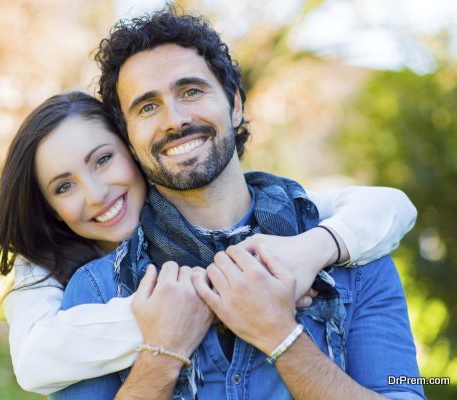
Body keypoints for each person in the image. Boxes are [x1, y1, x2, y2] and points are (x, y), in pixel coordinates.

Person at [46, 7, 425, 400]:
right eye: (147, 107)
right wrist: (162, 357)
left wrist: (281, 337)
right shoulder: (97, 290)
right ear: (129, 140)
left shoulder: (355, 259)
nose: (174, 120)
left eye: (191, 91)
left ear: (236, 104)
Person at [0, 92, 417, 396]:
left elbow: (385, 205)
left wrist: (314, 251)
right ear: (50, 209)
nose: (97, 193)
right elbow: (34, 362)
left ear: (134, 149)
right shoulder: (77, 285)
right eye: (64, 187)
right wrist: (177, 328)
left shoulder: (307, 229)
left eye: (103, 159)